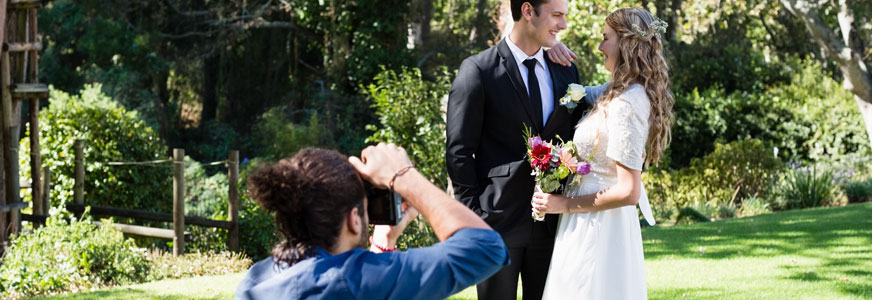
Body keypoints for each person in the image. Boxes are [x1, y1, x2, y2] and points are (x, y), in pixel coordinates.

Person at [445, 0, 588, 299]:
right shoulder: (478, 71)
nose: (563, 25)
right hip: (497, 224)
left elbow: (576, 135)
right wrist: (476, 218)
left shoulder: (566, 71)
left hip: (553, 225)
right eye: (557, 15)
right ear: (527, 11)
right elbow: (459, 151)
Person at [235, 144, 509, 299]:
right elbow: (484, 248)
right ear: (354, 219)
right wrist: (404, 176)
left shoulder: (256, 280)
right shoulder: (351, 281)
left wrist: (384, 241)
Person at [531, 7, 674, 299]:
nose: (599, 47)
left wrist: (562, 205)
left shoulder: (627, 103)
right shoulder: (617, 91)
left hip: (599, 227)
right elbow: (584, 93)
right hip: (587, 221)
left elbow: (629, 191)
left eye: (605, 38)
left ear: (626, 44)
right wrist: (549, 47)